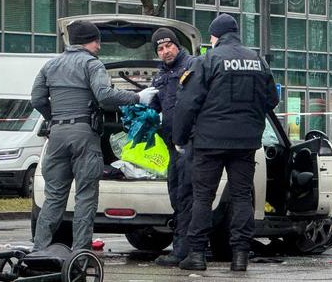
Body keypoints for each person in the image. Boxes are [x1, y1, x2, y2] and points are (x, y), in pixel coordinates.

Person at [31, 20, 159, 251]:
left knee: (54, 198)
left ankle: (39, 253)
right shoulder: (92, 64)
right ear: (93, 41)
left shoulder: (50, 65)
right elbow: (104, 96)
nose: (99, 47)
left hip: (57, 135)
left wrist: (55, 118)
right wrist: (138, 98)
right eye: (98, 41)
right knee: (86, 197)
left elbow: (37, 99)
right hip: (83, 136)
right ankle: (81, 254)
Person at [173, 14, 279, 271]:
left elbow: (188, 103)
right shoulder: (258, 61)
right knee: (243, 197)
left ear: (215, 36)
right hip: (245, 142)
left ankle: (197, 255)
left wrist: (179, 137)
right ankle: (240, 256)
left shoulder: (207, 60)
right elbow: (271, 100)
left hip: (209, 142)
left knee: (202, 197)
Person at [148, 28, 195, 267]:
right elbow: (159, 104)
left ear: (177, 46)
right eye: (160, 48)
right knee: (176, 195)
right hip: (171, 146)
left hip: (189, 144)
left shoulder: (192, 67)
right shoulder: (162, 74)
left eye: (168, 46)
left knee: (186, 196)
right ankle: (184, 248)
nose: (165, 51)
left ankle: (184, 251)